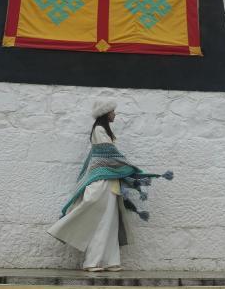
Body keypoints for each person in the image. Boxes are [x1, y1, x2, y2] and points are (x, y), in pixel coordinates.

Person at [47, 100, 173, 271]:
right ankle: (92, 262)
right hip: (102, 182)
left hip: (110, 183)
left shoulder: (104, 131)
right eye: (112, 111)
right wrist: (131, 168)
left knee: (110, 222)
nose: (115, 114)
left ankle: (110, 261)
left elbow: (109, 157)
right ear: (105, 113)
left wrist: (127, 169)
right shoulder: (99, 130)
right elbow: (109, 156)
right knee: (99, 221)